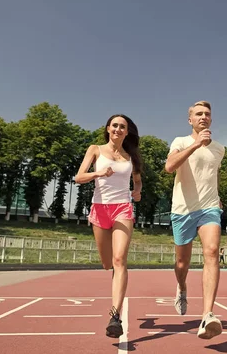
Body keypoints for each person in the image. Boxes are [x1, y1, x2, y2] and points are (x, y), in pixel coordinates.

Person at [75, 114, 142, 339]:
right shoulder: (95, 149)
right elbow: (78, 177)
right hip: (99, 209)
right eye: (115, 125)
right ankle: (113, 270)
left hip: (122, 208)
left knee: (119, 260)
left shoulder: (130, 156)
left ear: (127, 132)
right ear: (108, 128)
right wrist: (98, 173)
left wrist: (137, 191)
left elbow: (138, 178)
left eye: (122, 127)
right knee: (107, 263)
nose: (118, 129)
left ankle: (115, 316)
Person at [164, 100, 225, 340]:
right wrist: (196, 144)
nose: (203, 117)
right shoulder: (180, 142)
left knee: (211, 252)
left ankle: (208, 314)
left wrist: (218, 198)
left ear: (211, 119)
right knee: (182, 264)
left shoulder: (219, 149)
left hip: (209, 208)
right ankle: (182, 286)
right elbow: (169, 167)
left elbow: (213, 173)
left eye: (207, 114)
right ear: (190, 119)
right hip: (182, 210)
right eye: (198, 114)